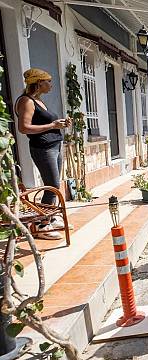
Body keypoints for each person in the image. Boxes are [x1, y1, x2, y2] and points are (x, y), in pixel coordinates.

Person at [16, 68, 71, 240]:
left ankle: (50, 218)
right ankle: (42, 225)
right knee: (51, 185)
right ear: (39, 83)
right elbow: (24, 128)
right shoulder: (27, 101)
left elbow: (47, 123)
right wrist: (52, 125)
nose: (51, 85)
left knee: (54, 185)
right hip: (43, 148)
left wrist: (60, 124)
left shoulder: (38, 100)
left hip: (54, 146)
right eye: (48, 81)